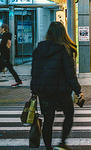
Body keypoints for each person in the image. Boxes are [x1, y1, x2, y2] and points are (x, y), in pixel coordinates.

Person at [30, 22, 82, 150]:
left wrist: (34, 90)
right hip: (61, 91)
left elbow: (35, 71)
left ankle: (48, 147)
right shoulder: (64, 49)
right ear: (63, 33)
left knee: (48, 120)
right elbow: (70, 74)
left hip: (44, 91)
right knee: (69, 114)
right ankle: (62, 142)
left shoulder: (39, 49)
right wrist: (78, 90)